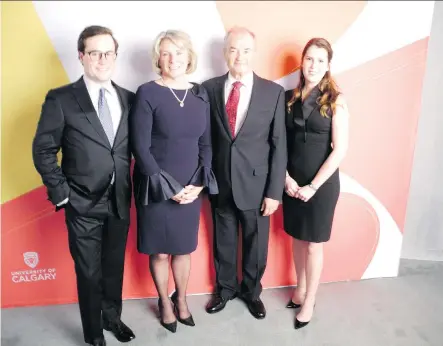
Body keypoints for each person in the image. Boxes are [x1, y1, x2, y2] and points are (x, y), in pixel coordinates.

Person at [32, 26, 136, 345]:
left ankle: (112, 318)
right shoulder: (61, 99)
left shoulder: (130, 99)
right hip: (81, 203)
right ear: (82, 56)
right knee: (89, 273)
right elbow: (43, 149)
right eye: (94, 52)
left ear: (115, 56)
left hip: (119, 200)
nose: (102, 59)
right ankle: (93, 335)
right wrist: (63, 195)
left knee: (113, 267)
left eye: (108, 53)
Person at [129, 30, 218, 333]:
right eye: (166, 53)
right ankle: (164, 302)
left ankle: (181, 298)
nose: (173, 59)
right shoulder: (147, 92)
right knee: (160, 250)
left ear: (189, 57)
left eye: (179, 53)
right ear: (158, 58)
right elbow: (140, 147)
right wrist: (169, 188)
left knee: (183, 249)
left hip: (191, 186)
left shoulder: (200, 93)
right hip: (156, 185)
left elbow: (206, 144)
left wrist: (200, 183)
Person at [202, 26, 287, 319]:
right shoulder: (209, 89)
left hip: (257, 185)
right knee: (223, 241)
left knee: (256, 246)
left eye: (246, 49)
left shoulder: (273, 93)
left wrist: (274, 192)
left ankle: (252, 293)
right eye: (234, 49)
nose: (240, 55)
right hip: (220, 183)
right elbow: (205, 138)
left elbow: (279, 145)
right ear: (225, 53)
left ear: (254, 53)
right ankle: (225, 290)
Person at [283, 37, 350, 329]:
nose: (313, 65)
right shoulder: (288, 97)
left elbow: (340, 149)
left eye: (320, 60)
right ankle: (299, 288)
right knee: (297, 239)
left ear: (328, 66)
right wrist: (286, 179)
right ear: (302, 61)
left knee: (312, 245)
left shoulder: (336, 100)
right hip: (291, 183)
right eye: (309, 58)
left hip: (320, 187)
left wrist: (313, 186)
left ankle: (310, 299)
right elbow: (280, 144)